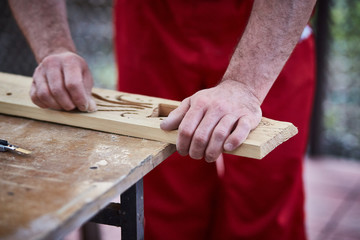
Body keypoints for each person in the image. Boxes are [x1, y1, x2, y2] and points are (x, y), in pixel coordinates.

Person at [9, 0, 317, 239]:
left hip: (266, 24)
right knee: (164, 196)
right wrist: (53, 48)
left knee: (264, 196)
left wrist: (245, 85)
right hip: (152, 21)